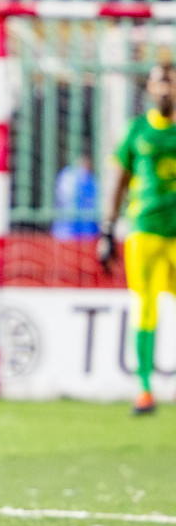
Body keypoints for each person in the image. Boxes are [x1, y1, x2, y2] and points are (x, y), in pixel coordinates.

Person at [99, 63, 176, 416]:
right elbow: (119, 179)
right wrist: (107, 230)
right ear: (149, 88)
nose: (165, 88)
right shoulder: (137, 130)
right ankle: (144, 389)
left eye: (171, 81)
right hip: (144, 230)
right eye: (160, 81)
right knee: (144, 306)